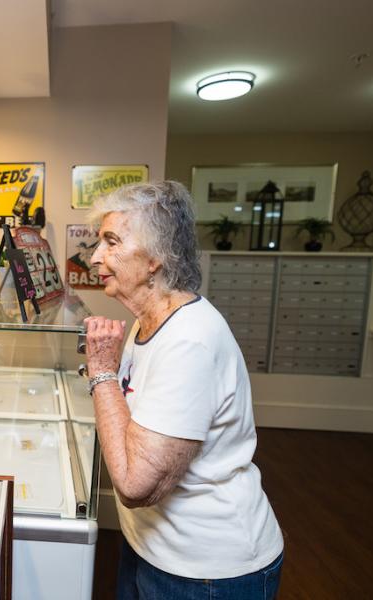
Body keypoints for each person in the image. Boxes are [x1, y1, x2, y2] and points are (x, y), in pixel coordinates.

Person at [84, 181, 283, 598]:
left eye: (111, 241)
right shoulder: (147, 320)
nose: (95, 257)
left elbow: (137, 484)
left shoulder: (190, 339)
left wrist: (102, 371)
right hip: (151, 545)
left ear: (156, 256)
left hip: (206, 570)